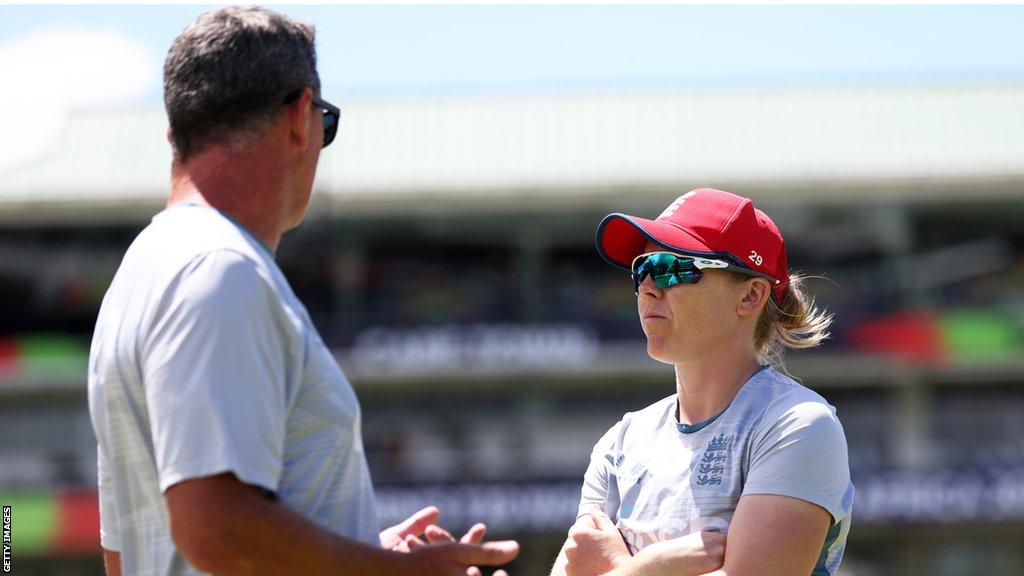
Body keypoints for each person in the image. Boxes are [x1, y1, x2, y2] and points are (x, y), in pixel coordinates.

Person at [87, 7, 518, 576]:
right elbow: (215, 527)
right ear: (299, 117)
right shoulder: (221, 269)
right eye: (326, 122)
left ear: (176, 131)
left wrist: (363, 549)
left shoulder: (140, 274)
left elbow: (129, 555)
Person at [549, 188, 854, 576]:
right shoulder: (621, 440)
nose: (647, 286)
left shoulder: (798, 425)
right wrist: (654, 567)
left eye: (672, 267)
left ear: (751, 296)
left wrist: (625, 569)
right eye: (641, 268)